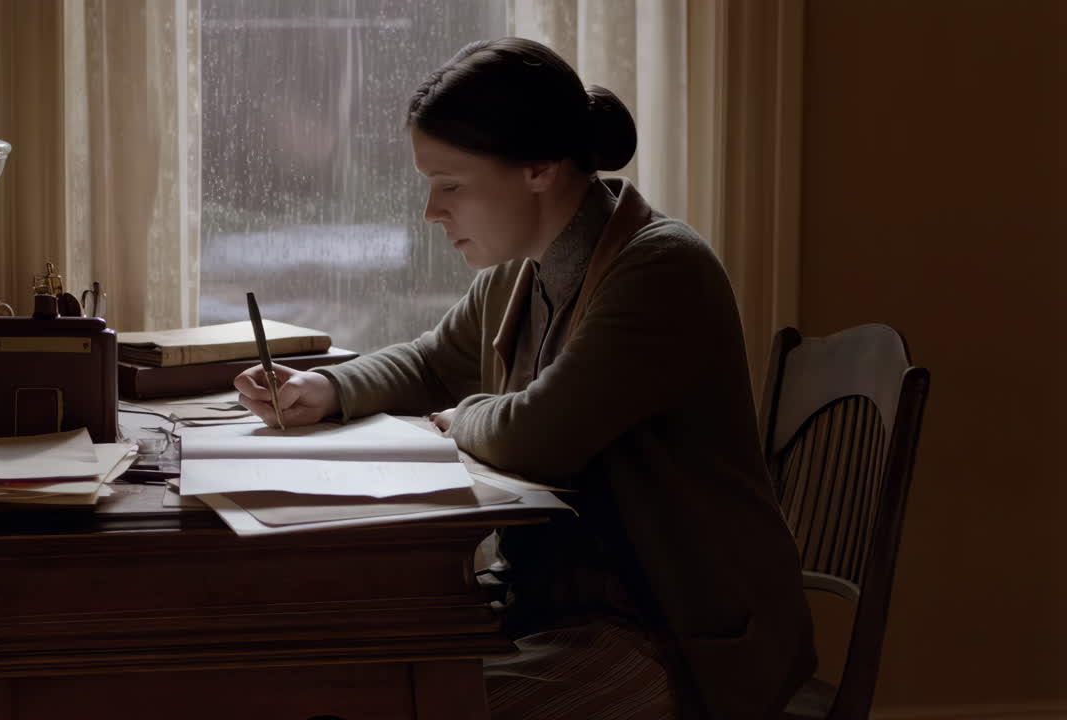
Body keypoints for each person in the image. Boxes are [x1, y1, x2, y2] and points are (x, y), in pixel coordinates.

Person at [235, 37, 816, 720]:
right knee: (345, 680)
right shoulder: (520, 269)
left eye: (450, 185)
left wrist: (462, 417)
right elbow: (431, 360)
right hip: (548, 612)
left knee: (417, 704)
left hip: (670, 637)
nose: (431, 211)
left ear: (538, 167)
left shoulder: (661, 270)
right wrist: (325, 391)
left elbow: (540, 433)